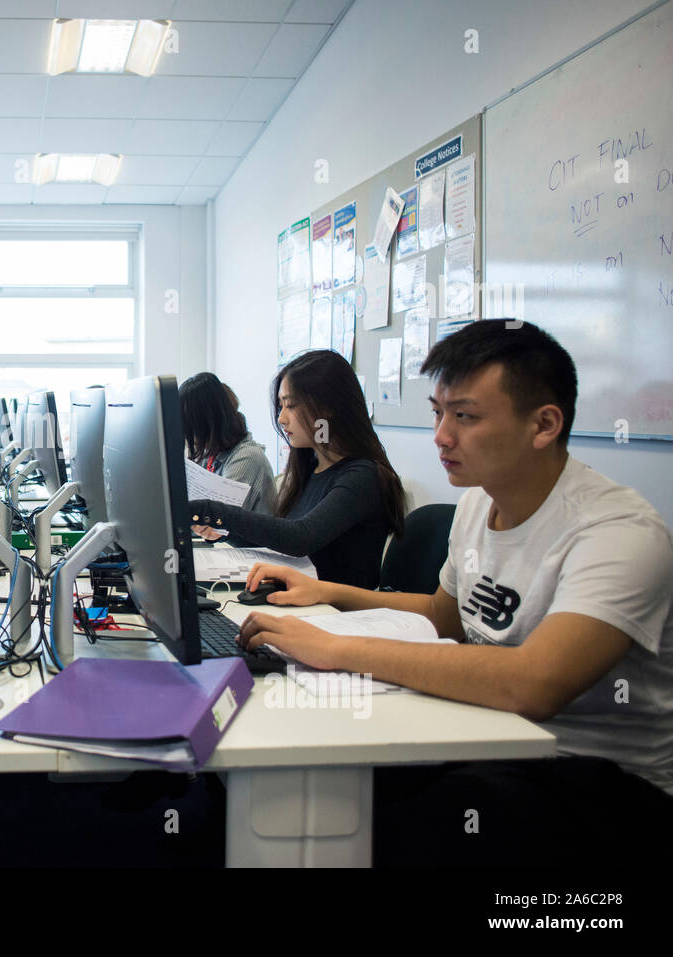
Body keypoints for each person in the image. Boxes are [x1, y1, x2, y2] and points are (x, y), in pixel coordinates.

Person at [236, 320, 673, 866]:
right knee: (316, 774)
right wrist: (327, 592)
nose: (441, 436)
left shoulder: (617, 532)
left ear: (544, 424)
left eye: (464, 416)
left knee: (389, 816)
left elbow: (535, 684)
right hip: (488, 735)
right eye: (438, 412)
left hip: (599, 781)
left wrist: (333, 647)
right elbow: (446, 617)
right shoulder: (476, 504)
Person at [189, 349, 406, 588]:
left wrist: (214, 512)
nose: (281, 418)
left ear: (326, 408)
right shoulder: (311, 469)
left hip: (338, 614)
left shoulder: (363, 476)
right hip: (304, 604)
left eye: (290, 405)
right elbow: (284, 547)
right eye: (281, 406)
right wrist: (223, 530)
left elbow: (299, 538)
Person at [179, 371, 277, 514]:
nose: (188, 435)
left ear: (205, 423)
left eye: (190, 426)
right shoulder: (210, 454)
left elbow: (219, 521)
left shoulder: (246, 457)